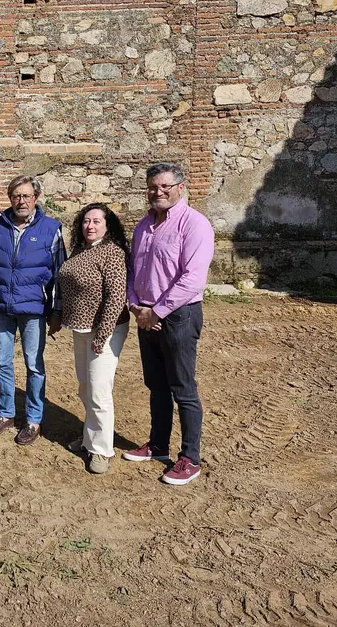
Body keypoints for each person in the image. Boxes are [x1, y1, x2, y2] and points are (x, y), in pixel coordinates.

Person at [124, 162, 214, 485]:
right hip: (146, 315)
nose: (157, 192)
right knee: (156, 385)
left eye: (164, 187)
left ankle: (190, 458)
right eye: (152, 187)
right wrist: (135, 304)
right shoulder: (142, 226)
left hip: (178, 316)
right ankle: (158, 445)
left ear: (181, 188)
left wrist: (157, 311)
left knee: (183, 388)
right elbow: (133, 269)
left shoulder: (195, 226)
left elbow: (192, 280)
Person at [0, 175, 65, 446]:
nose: (21, 200)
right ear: (10, 198)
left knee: (33, 365)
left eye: (27, 195)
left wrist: (57, 310)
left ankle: (33, 420)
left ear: (36, 198)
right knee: (3, 362)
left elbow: (60, 273)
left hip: (34, 309)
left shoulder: (51, 228)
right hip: (1, 307)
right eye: (16, 196)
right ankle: (5, 414)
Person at [56, 203, 130, 475]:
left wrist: (104, 333)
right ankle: (90, 439)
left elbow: (116, 295)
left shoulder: (112, 252)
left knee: (99, 390)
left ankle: (101, 450)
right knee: (86, 387)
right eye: (87, 221)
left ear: (107, 225)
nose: (90, 226)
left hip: (105, 330)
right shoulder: (79, 250)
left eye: (97, 221)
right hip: (81, 327)